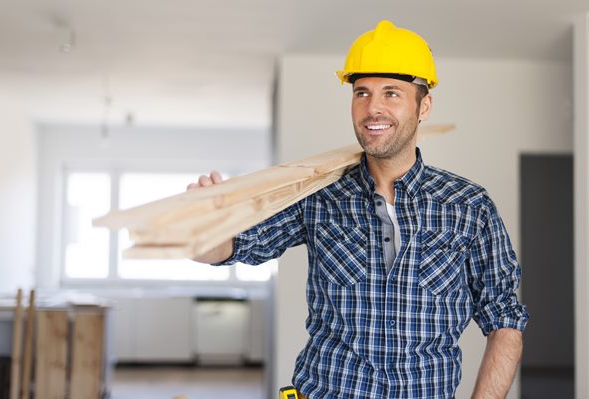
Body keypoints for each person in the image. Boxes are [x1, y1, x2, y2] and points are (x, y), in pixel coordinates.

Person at [188, 20, 529, 399]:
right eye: (362, 93)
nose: (373, 108)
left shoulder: (468, 206)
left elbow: (504, 319)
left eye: (392, 93)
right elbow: (234, 246)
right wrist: (202, 228)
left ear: (424, 106)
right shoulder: (318, 194)